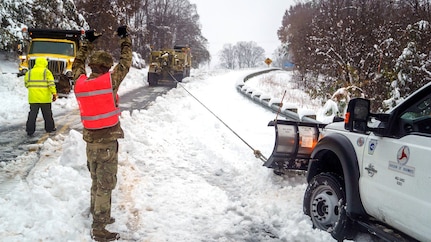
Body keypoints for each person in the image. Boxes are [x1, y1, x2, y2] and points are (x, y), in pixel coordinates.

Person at [72, 26, 132, 242]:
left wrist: (87, 42)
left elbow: (76, 63)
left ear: (91, 66)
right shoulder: (109, 82)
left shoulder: (80, 83)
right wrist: (125, 39)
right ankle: (99, 228)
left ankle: (97, 212)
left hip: (90, 143)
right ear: (107, 68)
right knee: (106, 184)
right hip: (107, 142)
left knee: (96, 180)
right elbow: (126, 61)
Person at [24, 57, 58, 136]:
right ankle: (50, 128)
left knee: (32, 115)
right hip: (45, 98)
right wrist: (54, 93)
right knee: (47, 114)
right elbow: (51, 84)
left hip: (33, 98)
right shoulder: (46, 72)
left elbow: (26, 84)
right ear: (45, 63)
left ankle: (30, 130)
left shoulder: (29, 72)